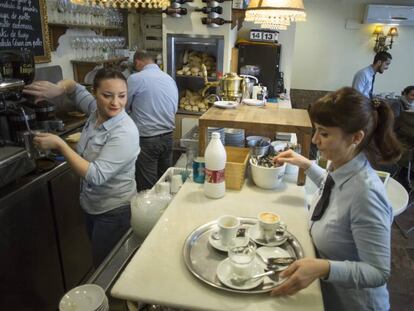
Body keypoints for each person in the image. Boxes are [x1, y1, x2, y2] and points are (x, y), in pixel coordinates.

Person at [271, 87, 402, 311]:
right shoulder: (342, 166)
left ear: (356, 137)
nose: (314, 140)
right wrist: (306, 164)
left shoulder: (367, 194)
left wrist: (324, 268)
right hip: (330, 297)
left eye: (324, 133)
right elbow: (335, 190)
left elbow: (378, 272)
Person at [23, 69, 140, 267]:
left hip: (113, 211)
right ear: (94, 92)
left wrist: (60, 145)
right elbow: (74, 88)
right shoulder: (95, 111)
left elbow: (95, 175)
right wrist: (58, 88)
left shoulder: (125, 132)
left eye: (122, 96)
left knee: (107, 267)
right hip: (92, 204)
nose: (115, 103)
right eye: (107, 95)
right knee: (101, 259)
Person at [127, 50, 178, 191]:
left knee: (147, 187)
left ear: (138, 62)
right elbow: (174, 108)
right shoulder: (169, 78)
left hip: (147, 139)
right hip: (168, 136)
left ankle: (150, 212)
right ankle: (166, 211)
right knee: (165, 182)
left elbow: (122, 106)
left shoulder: (135, 79)